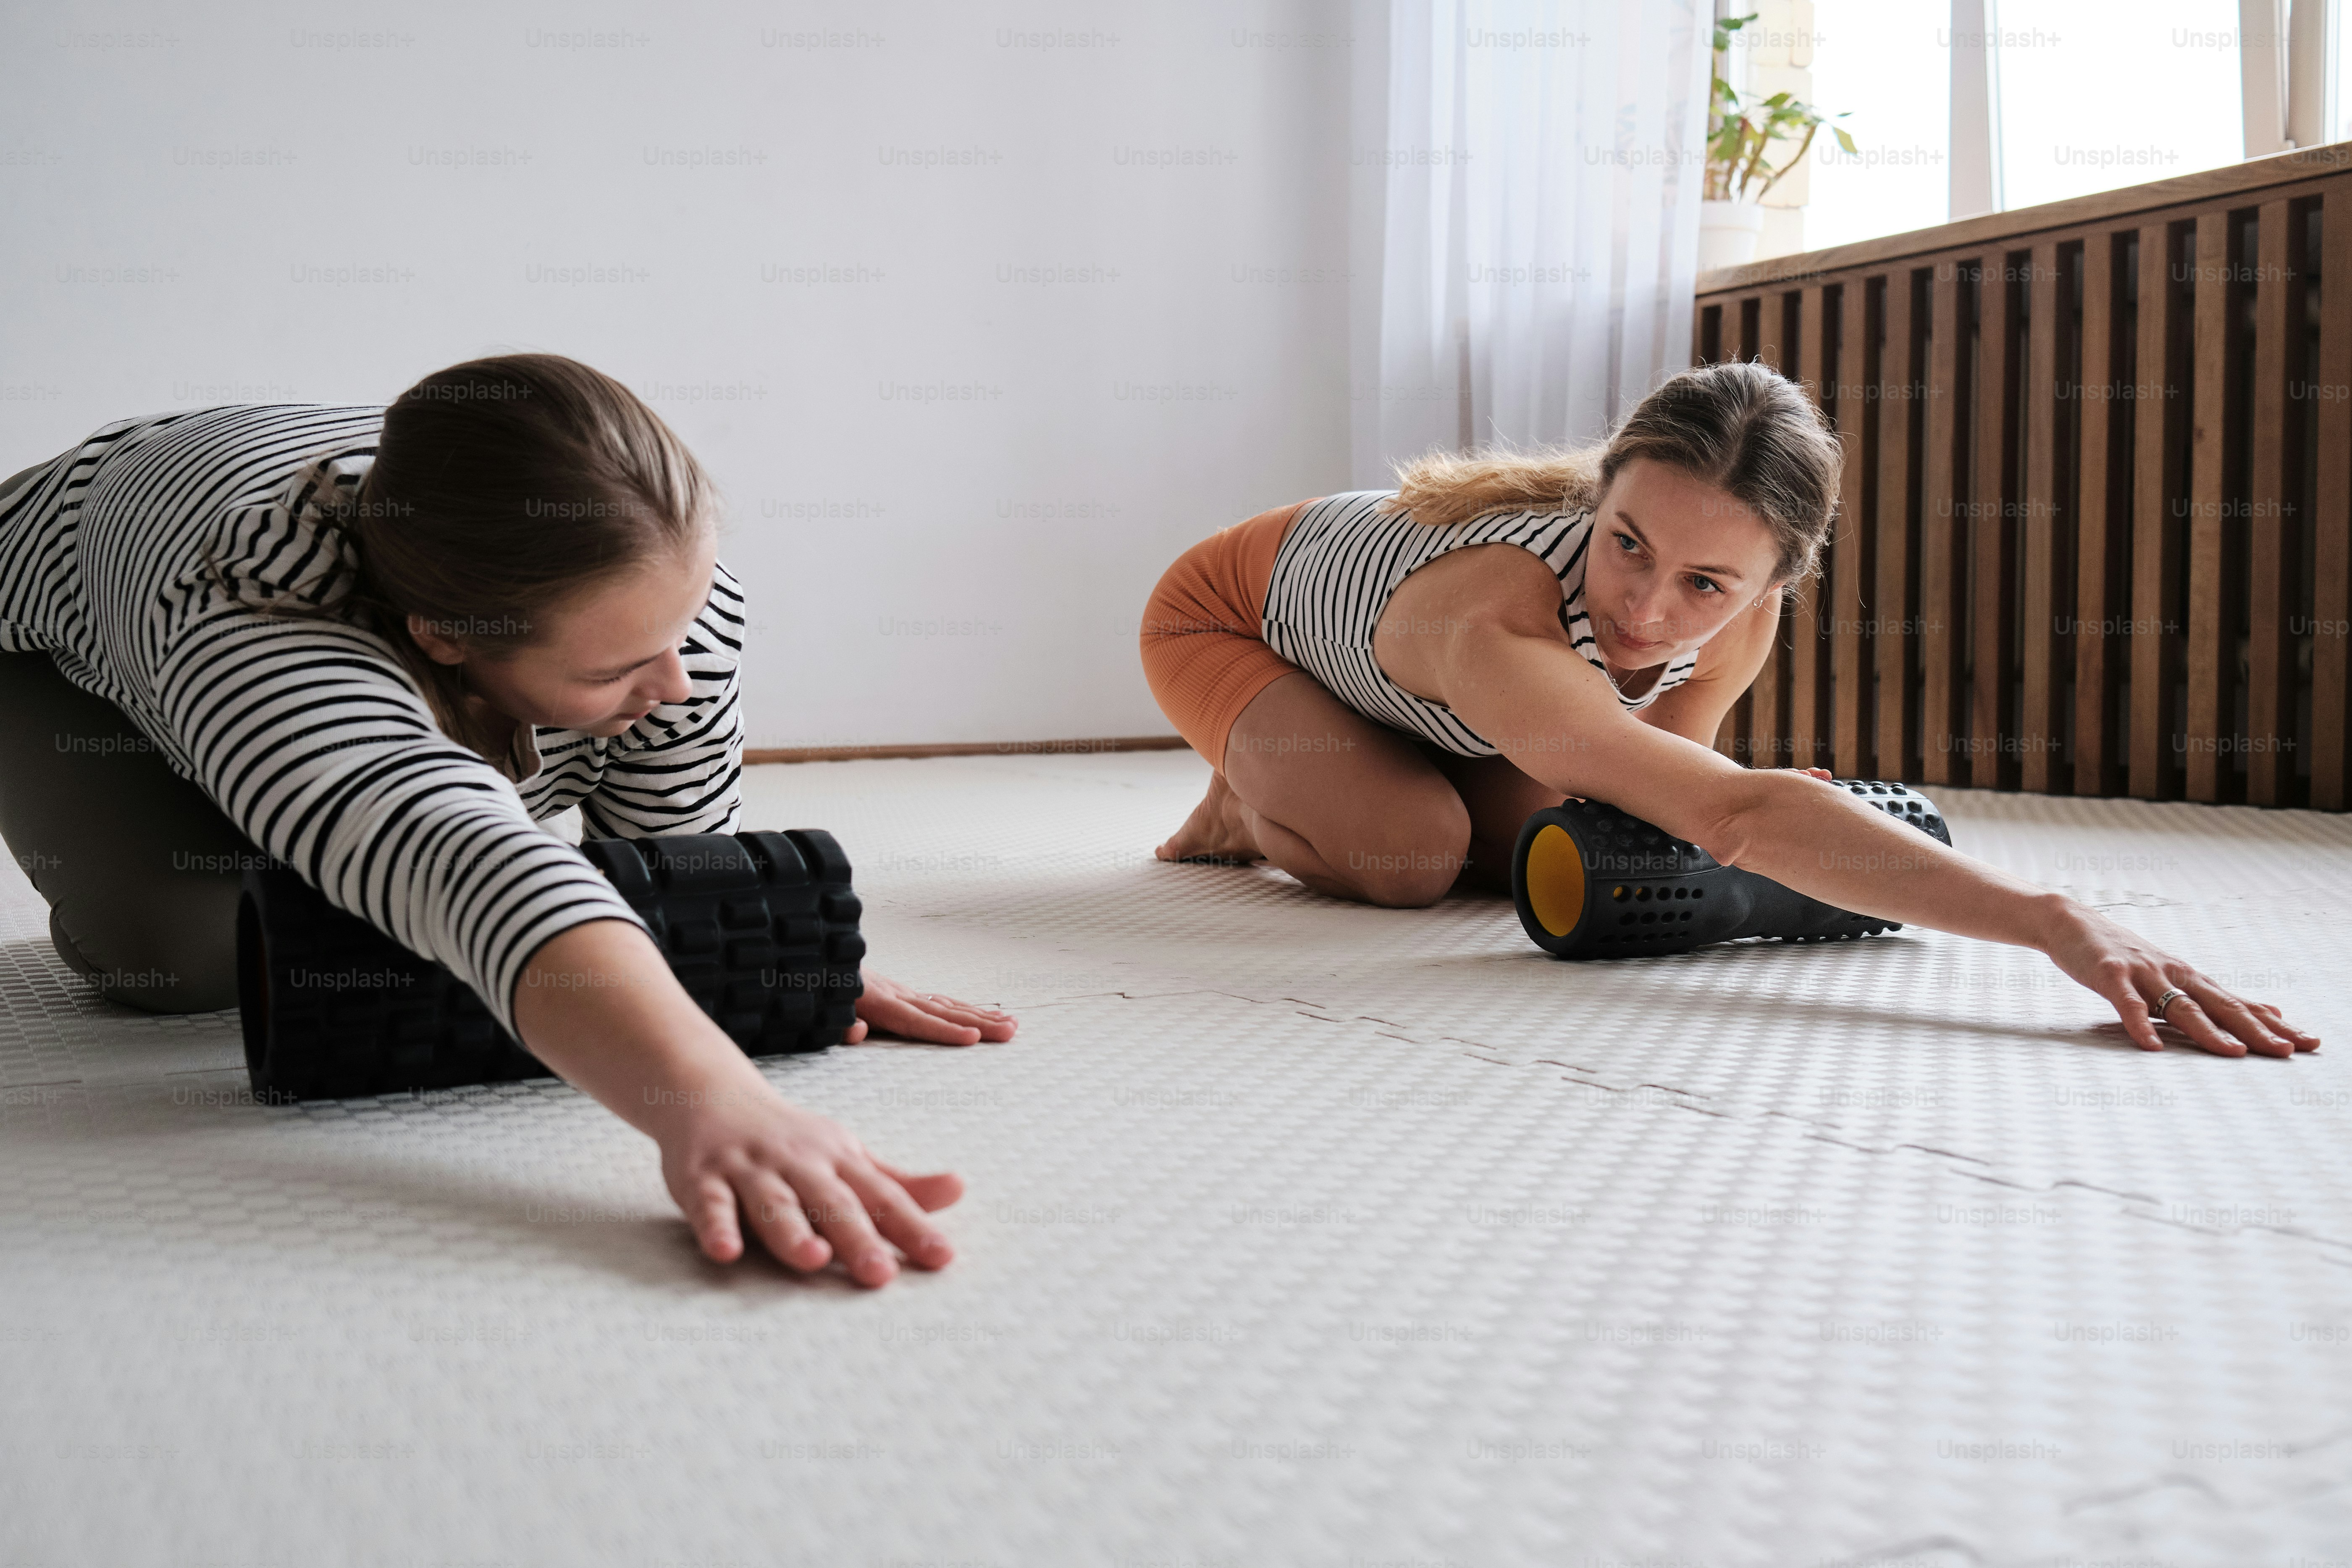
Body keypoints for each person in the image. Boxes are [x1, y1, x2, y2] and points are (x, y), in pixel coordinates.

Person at [0, 352, 1017, 1286]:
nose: (677, 681)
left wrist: (760, 957)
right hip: (57, 647)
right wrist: (713, 1100)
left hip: (408, 618)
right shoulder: (256, 623)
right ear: (444, 636)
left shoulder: (657, 601)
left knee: (466, 829)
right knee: (186, 948)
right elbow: (451, 851)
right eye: (621, 667)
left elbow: (668, 860)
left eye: (680, 629)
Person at [1139, 360, 2315, 1061]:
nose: (1648, 611)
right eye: (1626, 544)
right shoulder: (1500, 616)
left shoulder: (1738, 622)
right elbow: (1731, 818)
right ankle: (1250, 797)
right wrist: (2053, 918)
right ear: (1601, 493)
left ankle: (1369, 760)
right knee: (1412, 856)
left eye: (1705, 584)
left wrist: (1756, 815)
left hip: (1440, 698)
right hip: (1233, 622)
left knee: (1548, 846)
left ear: (1773, 585)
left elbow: (1672, 803)